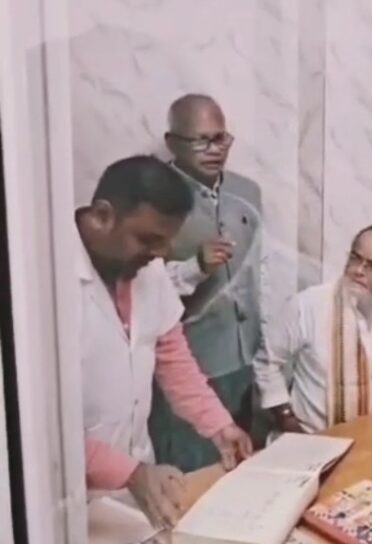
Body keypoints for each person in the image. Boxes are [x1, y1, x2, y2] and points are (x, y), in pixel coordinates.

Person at [77, 155, 252, 529]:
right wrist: (128, 472)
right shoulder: (42, 278)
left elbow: (173, 359)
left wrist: (220, 425)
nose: (161, 254)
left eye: (167, 241)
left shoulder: (148, 271)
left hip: (136, 482)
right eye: (149, 239)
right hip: (67, 495)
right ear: (102, 216)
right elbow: (37, 427)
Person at [150, 94, 267, 472]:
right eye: (202, 141)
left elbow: (262, 273)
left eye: (221, 139)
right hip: (190, 367)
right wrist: (195, 266)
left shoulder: (248, 193)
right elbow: (139, 293)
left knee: (246, 468)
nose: (215, 150)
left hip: (247, 360)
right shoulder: (152, 199)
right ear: (172, 143)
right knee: (195, 476)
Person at [253, 224, 372, 440]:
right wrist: (287, 420)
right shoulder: (309, 305)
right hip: (313, 438)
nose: (359, 271)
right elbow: (267, 362)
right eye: (355, 258)